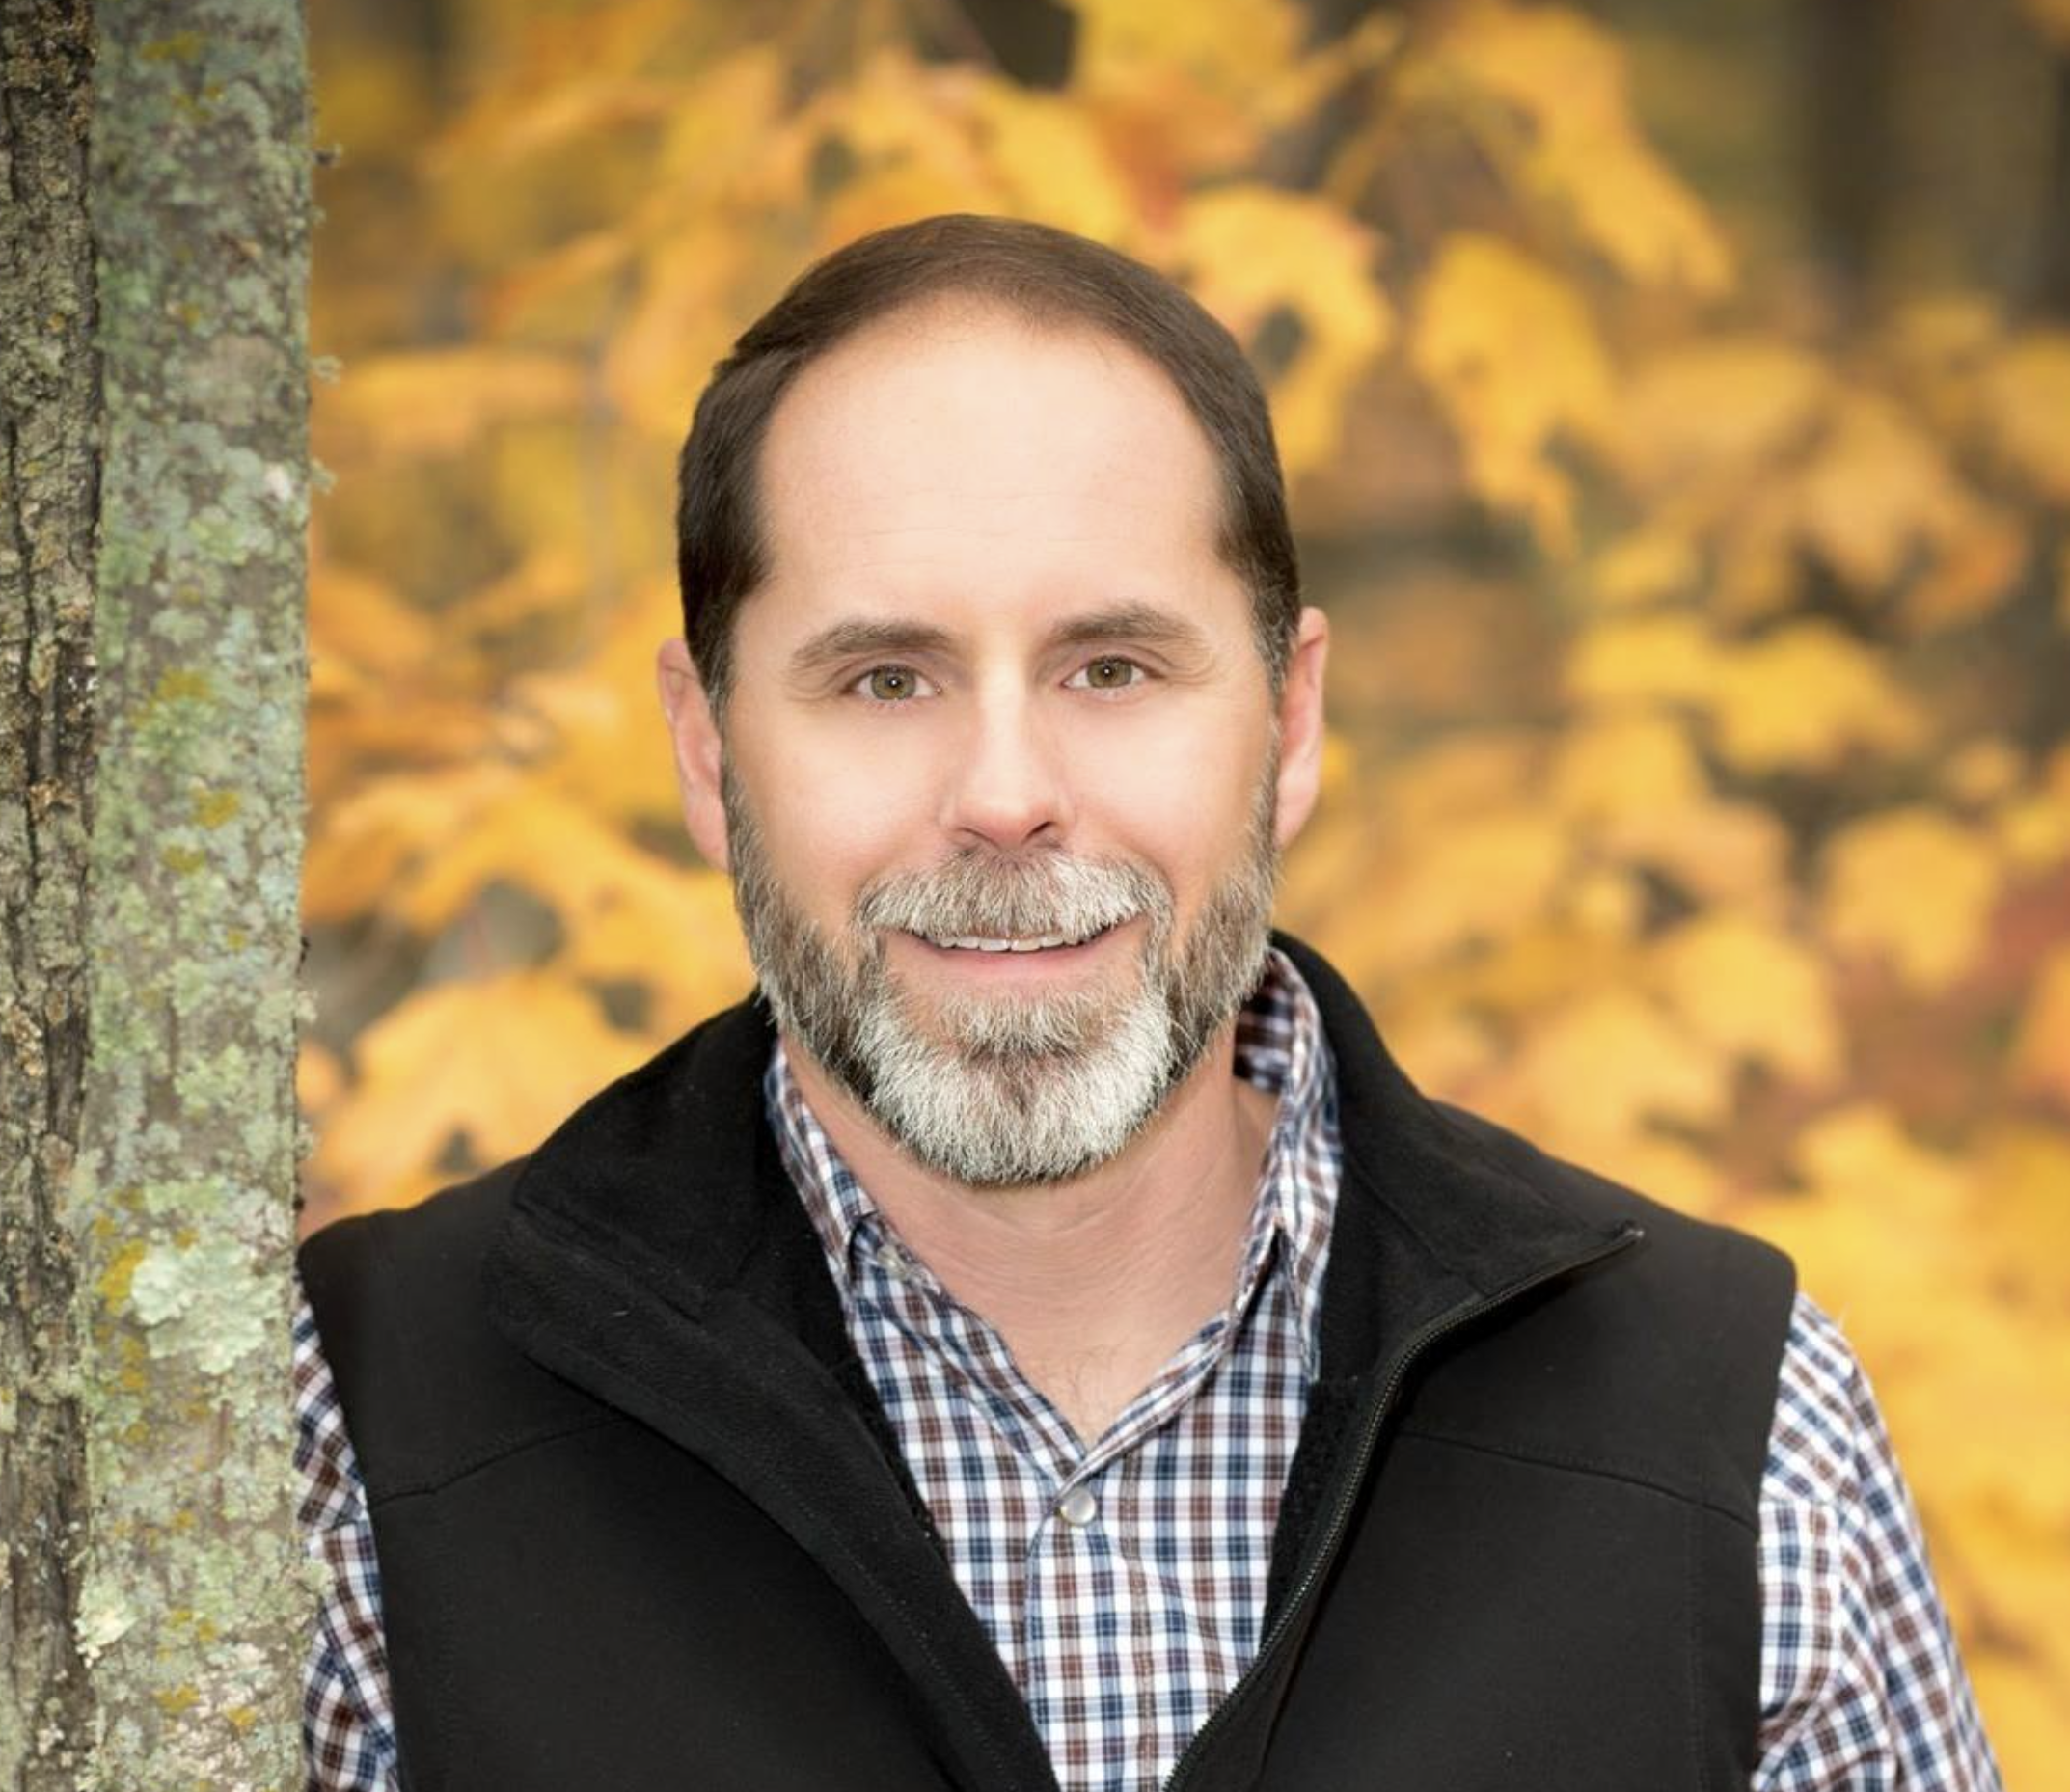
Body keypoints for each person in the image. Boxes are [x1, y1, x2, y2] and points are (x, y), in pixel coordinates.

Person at [295, 214, 2002, 1792]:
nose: (1007, 790)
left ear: (1291, 720)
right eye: (883, 677)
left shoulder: (1725, 1420)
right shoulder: (371, 1428)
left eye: (1111, 667)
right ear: (702, 747)